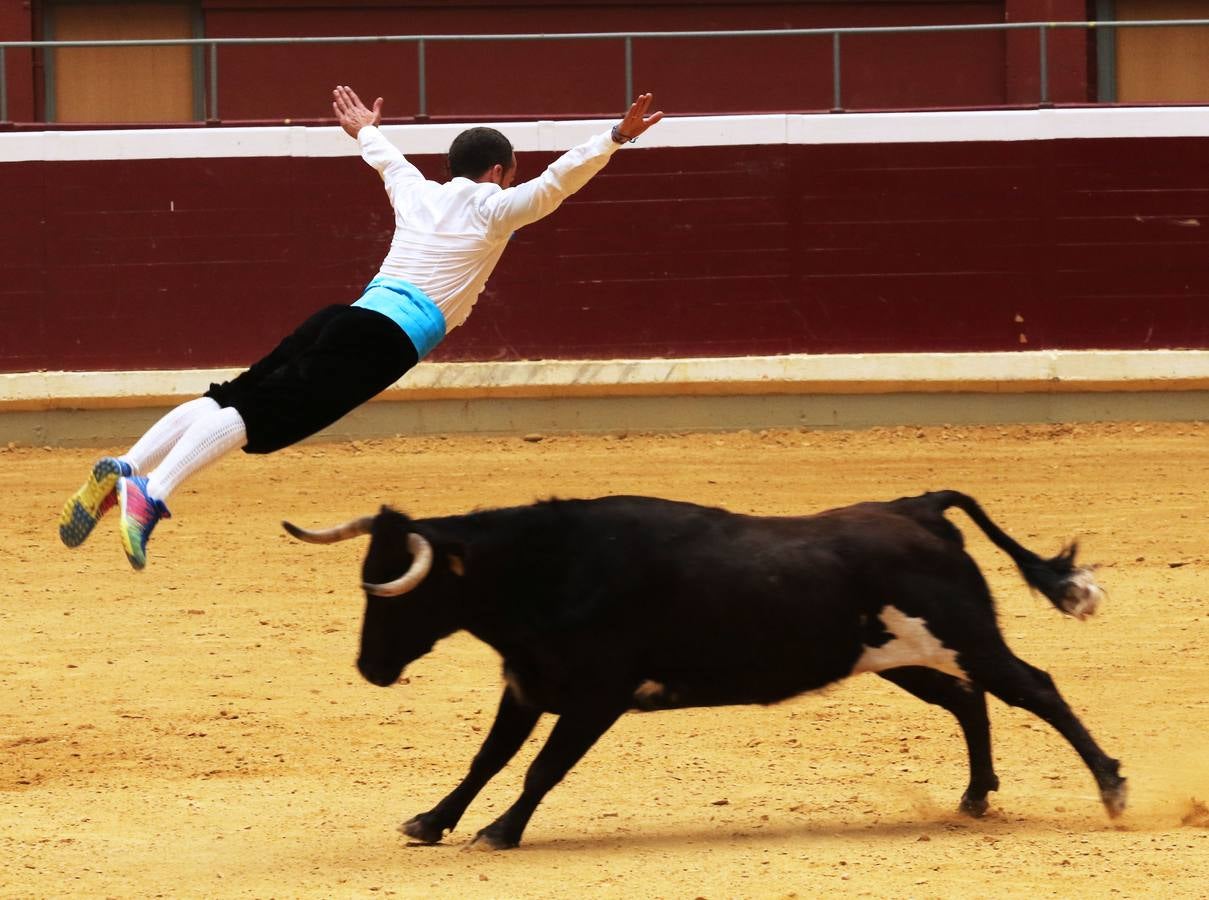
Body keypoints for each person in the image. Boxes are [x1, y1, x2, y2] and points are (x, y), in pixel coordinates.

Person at [59, 85, 664, 570]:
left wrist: (366, 129)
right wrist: (614, 137)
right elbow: (558, 182)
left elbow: (387, 159)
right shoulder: (494, 208)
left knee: (234, 396)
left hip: (346, 316)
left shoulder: (418, 191)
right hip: (384, 339)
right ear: (502, 171)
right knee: (264, 414)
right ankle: (153, 493)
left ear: (451, 166)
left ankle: (128, 465)